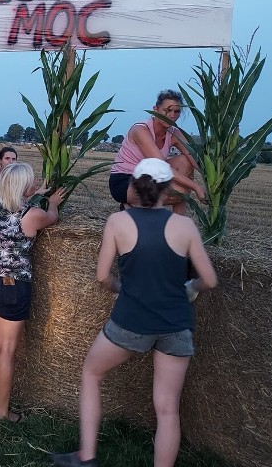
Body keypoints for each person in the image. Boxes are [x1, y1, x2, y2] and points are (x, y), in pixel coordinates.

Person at [50, 158, 217, 467]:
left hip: (131, 321)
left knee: (91, 372)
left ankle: (87, 457)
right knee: (168, 409)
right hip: (176, 325)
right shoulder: (184, 225)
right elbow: (209, 279)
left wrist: (120, 287)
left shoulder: (118, 222)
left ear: (135, 187)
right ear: (168, 191)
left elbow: (102, 277)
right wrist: (189, 288)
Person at [0, 162, 64, 422]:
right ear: (23, 185)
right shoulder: (32, 214)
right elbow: (52, 218)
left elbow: (15, 198)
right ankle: (2, 413)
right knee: (5, 349)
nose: (34, 182)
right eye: (31, 180)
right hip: (12, 285)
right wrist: (52, 202)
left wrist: (35, 192)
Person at [109, 90, 206, 215]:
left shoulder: (174, 133)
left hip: (151, 178)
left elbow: (193, 157)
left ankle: (178, 223)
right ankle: (132, 206)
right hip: (125, 180)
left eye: (177, 112)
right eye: (167, 110)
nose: (172, 115)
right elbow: (161, 166)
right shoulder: (140, 130)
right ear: (156, 109)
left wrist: (210, 179)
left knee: (185, 161)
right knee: (179, 190)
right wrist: (196, 187)